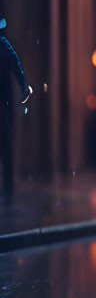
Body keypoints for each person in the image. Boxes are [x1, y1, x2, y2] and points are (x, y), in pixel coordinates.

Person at [0, 18, 33, 203]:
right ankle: (8, 187)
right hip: (4, 103)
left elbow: (16, 67)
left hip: (4, 103)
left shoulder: (4, 46)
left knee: (5, 145)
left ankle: (8, 187)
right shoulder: (4, 46)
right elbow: (17, 67)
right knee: (6, 146)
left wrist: (23, 86)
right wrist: (23, 86)